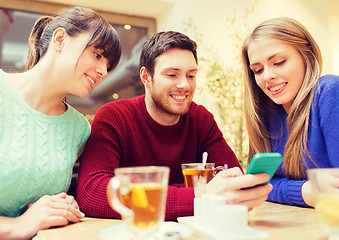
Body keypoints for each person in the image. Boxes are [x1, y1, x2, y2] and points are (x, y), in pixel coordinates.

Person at [77, 31, 272, 221]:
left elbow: (232, 184)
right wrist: (199, 196)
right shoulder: (114, 117)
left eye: (191, 75)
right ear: (146, 77)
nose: (185, 85)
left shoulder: (201, 119)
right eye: (172, 75)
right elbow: (93, 192)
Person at [0, 6, 121, 239]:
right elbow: (27, 221)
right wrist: (18, 225)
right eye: (98, 54)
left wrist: (62, 207)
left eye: (108, 65)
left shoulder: (78, 128)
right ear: (60, 39)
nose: (104, 71)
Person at [242, 17, 339, 208]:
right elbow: (258, 184)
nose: (267, 76)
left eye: (279, 62)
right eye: (258, 70)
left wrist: (289, 189)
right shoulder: (266, 113)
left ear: (307, 55)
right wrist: (305, 192)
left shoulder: (329, 92)